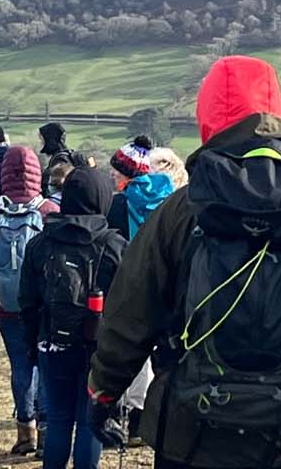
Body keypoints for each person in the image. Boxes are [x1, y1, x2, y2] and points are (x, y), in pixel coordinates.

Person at [88, 55, 281, 469]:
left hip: (189, 433)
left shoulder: (181, 212)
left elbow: (131, 311)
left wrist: (105, 392)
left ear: (208, 118)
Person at [21, 160, 128, 469]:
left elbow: (27, 301)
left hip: (52, 343)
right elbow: (128, 305)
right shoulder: (115, 246)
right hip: (99, 349)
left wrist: (32, 345)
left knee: (57, 420)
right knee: (89, 421)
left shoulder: (40, 243)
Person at [0, 146, 57, 457]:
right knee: (45, 365)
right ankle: (47, 433)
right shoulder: (49, 212)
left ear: (4, 175)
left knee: (20, 365)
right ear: (36, 172)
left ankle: (24, 432)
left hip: (5, 304)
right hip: (43, 305)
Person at [114, 145, 185, 444]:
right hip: (173, 285)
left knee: (136, 351)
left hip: (134, 283)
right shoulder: (177, 202)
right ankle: (160, 418)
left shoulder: (122, 202)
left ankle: (132, 415)